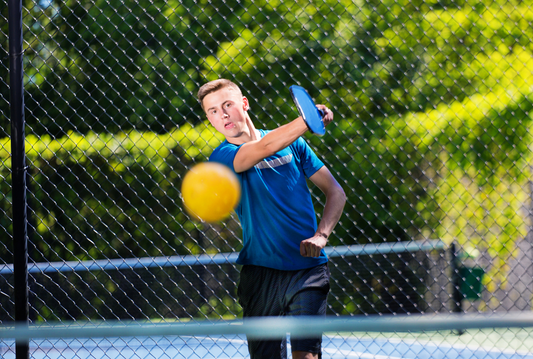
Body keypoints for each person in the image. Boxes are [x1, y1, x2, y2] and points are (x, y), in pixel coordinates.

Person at [197, 79, 346, 359]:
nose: (223, 115)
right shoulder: (222, 158)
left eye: (227, 105)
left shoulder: (295, 145)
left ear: (244, 104)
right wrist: (308, 119)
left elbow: (336, 192)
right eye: (213, 111)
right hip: (260, 272)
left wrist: (321, 235)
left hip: (308, 270)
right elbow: (263, 147)